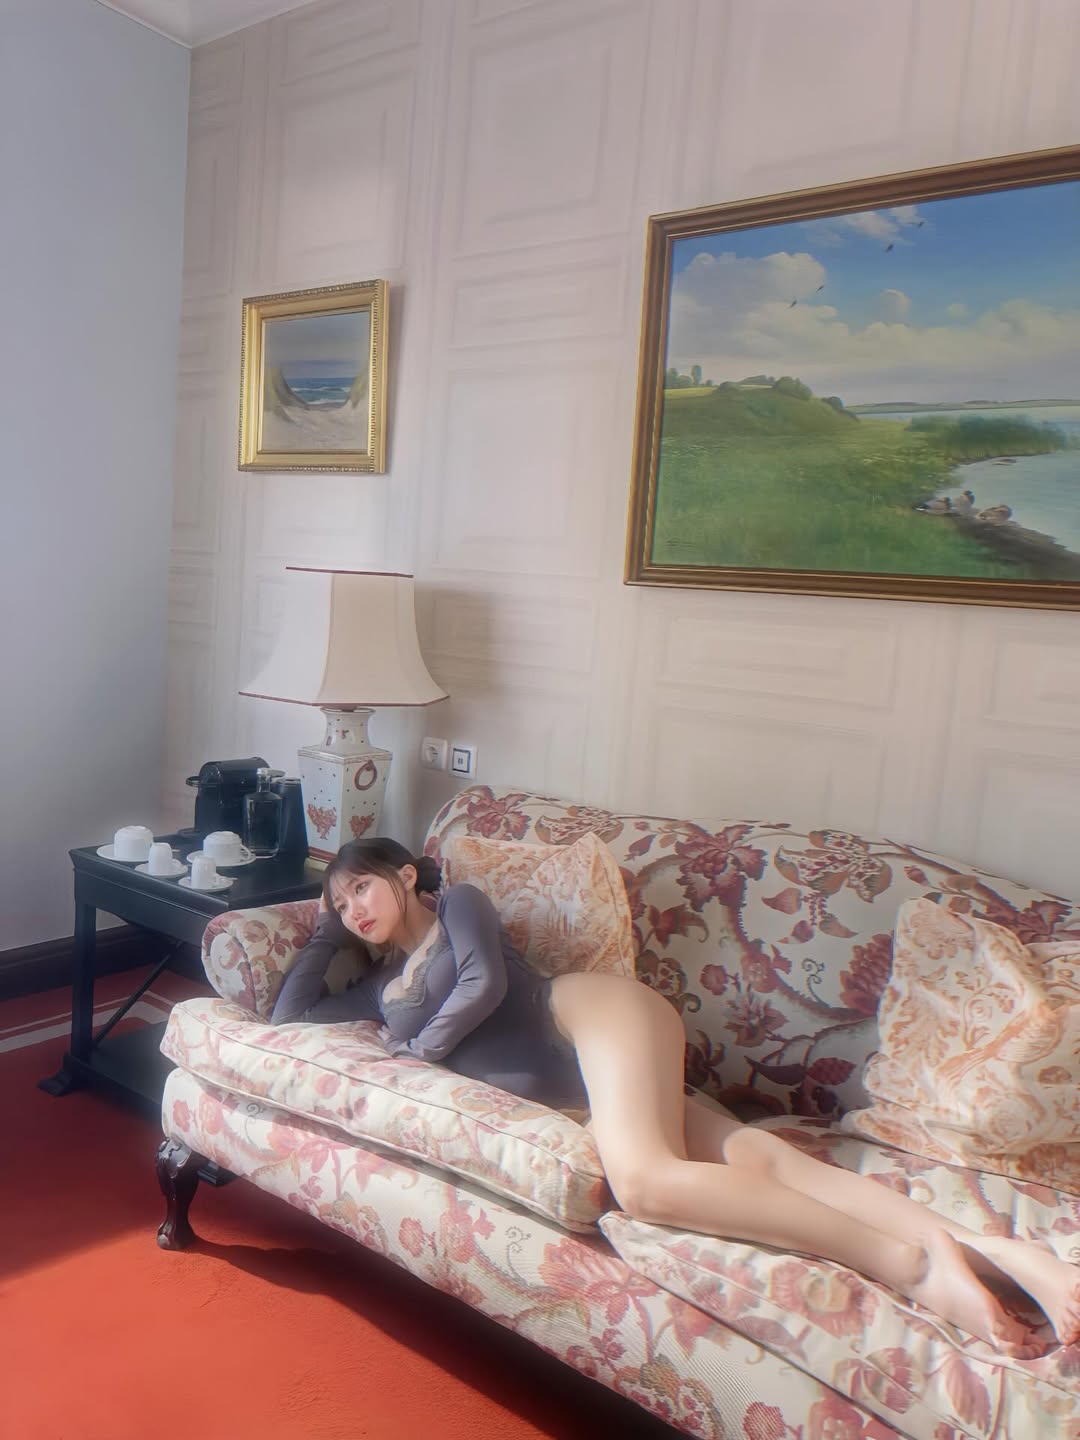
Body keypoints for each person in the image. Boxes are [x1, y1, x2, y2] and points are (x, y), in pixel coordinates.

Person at [273, 837, 1080, 1357]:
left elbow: (483, 984)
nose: (355, 909)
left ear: (406, 876)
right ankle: (1011, 1257)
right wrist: (323, 928)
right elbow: (291, 1013)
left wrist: (417, 1049)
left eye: (362, 889)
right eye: (343, 904)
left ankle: (913, 1267)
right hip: (594, 1091)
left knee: (646, 1183)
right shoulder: (382, 987)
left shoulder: (459, 907)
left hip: (589, 1018)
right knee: (774, 1166)